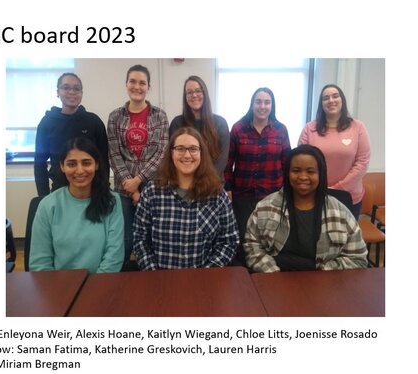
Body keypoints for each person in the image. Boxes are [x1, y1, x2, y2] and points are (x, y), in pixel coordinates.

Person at [243, 144, 368, 272]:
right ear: (287, 173)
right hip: (275, 278)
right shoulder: (265, 207)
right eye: (296, 171)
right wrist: (272, 272)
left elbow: (357, 258)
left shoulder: (340, 212)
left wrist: (324, 273)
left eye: (310, 171)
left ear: (321, 174)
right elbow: (252, 246)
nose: (303, 177)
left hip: (324, 283)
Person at [133, 127, 239, 270]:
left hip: (203, 281)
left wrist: (206, 273)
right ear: (172, 153)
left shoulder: (217, 194)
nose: (187, 155)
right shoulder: (152, 192)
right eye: (180, 149)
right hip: (160, 281)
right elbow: (140, 239)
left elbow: (229, 241)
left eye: (193, 149)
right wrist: (154, 273)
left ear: (201, 153)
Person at [29, 137, 124, 273]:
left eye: (86, 163)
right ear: (62, 166)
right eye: (72, 164)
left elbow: (114, 257)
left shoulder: (112, 201)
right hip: (60, 287)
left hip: (101, 285)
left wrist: (95, 290)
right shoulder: (48, 206)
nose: (79, 171)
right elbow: (40, 263)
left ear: (96, 164)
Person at [107, 64, 169, 269]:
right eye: (133, 81)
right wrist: (130, 186)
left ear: (148, 87)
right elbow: (114, 154)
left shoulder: (159, 116)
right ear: (126, 84)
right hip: (123, 190)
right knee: (124, 241)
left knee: (153, 239)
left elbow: (161, 153)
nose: (137, 86)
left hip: (153, 188)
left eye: (142, 82)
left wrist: (138, 181)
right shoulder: (115, 116)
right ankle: (120, 281)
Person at [224, 87, 291, 265]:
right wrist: (228, 188)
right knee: (244, 236)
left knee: (267, 236)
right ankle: (244, 274)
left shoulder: (280, 130)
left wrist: (286, 191)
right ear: (252, 104)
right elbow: (228, 163)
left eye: (267, 102)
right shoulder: (238, 129)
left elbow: (287, 164)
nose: (262, 106)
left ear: (272, 105)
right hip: (243, 195)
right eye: (258, 101)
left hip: (272, 195)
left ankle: (266, 270)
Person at [298, 84, 371, 219]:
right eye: (326, 98)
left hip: (348, 198)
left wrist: (338, 188)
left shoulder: (357, 127)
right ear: (321, 104)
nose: (331, 100)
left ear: (342, 100)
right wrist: (319, 188)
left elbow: (362, 162)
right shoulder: (309, 128)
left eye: (335, 96)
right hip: (315, 195)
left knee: (345, 239)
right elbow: (300, 161)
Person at [34, 72, 109, 196]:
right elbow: (39, 164)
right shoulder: (47, 123)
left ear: (81, 93)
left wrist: (104, 190)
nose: (72, 92)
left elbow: (103, 161)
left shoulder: (94, 121)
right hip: (59, 190)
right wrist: (43, 197)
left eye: (76, 88)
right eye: (66, 88)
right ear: (58, 92)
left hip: (92, 191)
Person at [169, 75, 230, 180]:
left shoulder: (220, 123)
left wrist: (205, 183)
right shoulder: (177, 123)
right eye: (189, 92)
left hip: (212, 184)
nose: (194, 95)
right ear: (185, 96)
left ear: (204, 93)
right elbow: (174, 156)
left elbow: (222, 159)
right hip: (184, 184)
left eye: (198, 91)